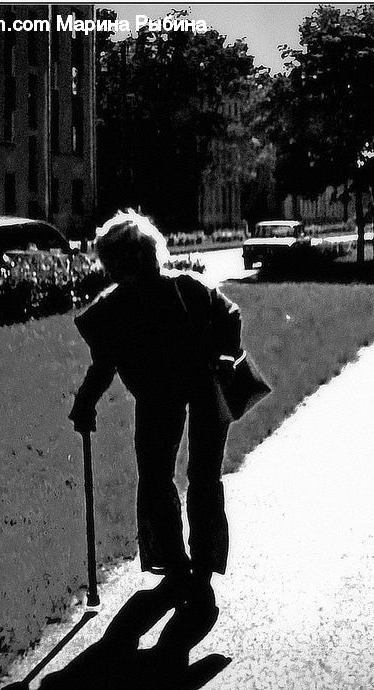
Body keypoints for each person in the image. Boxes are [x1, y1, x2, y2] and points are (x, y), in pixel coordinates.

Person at [69, 210, 243, 633]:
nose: (121, 272)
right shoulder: (114, 308)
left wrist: (224, 354)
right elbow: (104, 363)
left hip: (205, 385)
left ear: (148, 257)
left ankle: (199, 567)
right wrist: (85, 401)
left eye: (126, 262)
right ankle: (176, 564)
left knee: (201, 476)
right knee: (155, 477)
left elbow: (230, 316)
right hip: (156, 396)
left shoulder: (189, 287)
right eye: (116, 265)